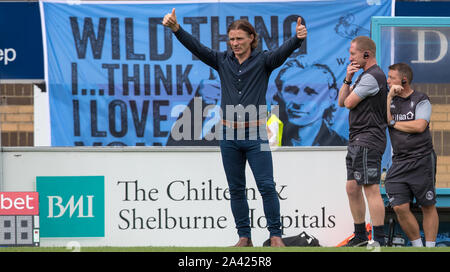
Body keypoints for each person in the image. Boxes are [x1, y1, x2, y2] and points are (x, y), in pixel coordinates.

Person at [163, 8, 307, 247]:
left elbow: (283, 52)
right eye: (231, 39)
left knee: (267, 186)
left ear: (252, 38)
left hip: (256, 135)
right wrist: (176, 29)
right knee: (236, 189)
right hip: (228, 136)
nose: (235, 43)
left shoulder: (264, 61)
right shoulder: (221, 60)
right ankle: (244, 237)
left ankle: (275, 236)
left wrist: (298, 38)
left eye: (239, 38)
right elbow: (197, 48)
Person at [338, 36, 387, 246]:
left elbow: (349, 102)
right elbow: (341, 101)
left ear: (366, 54)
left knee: (371, 188)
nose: (350, 57)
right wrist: (348, 78)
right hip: (357, 139)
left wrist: (351, 82)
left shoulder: (372, 76)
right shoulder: (362, 76)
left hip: (368, 139)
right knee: (352, 187)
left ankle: (379, 239)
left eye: (353, 53)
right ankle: (359, 236)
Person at [385, 63, 438, 247]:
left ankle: (430, 248)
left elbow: (419, 126)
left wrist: (392, 123)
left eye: (391, 77)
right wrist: (389, 97)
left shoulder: (421, 99)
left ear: (404, 80)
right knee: (399, 206)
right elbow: (385, 119)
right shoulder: (389, 100)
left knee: (428, 205)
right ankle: (417, 247)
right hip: (399, 162)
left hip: (422, 159)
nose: (388, 80)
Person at [273, 58, 347, 146]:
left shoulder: (341, 145)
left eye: (310, 92)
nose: (298, 102)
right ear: (280, 93)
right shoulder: (269, 139)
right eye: (291, 91)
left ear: (332, 95)